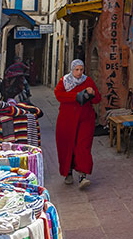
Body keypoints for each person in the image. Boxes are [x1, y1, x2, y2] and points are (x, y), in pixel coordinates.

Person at [55, 59, 100, 189]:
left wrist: (92, 93)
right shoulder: (64, 81)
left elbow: (97, 99)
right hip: (67, 120)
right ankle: (68, 172)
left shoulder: (88, 81)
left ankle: (82, 176)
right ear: (72, 69)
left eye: (81, 70)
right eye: (77, 70)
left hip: (85, 119)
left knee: (83, 146)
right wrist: (76, 96)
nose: (79, 72)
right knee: (67, 145)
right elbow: (59, 95)